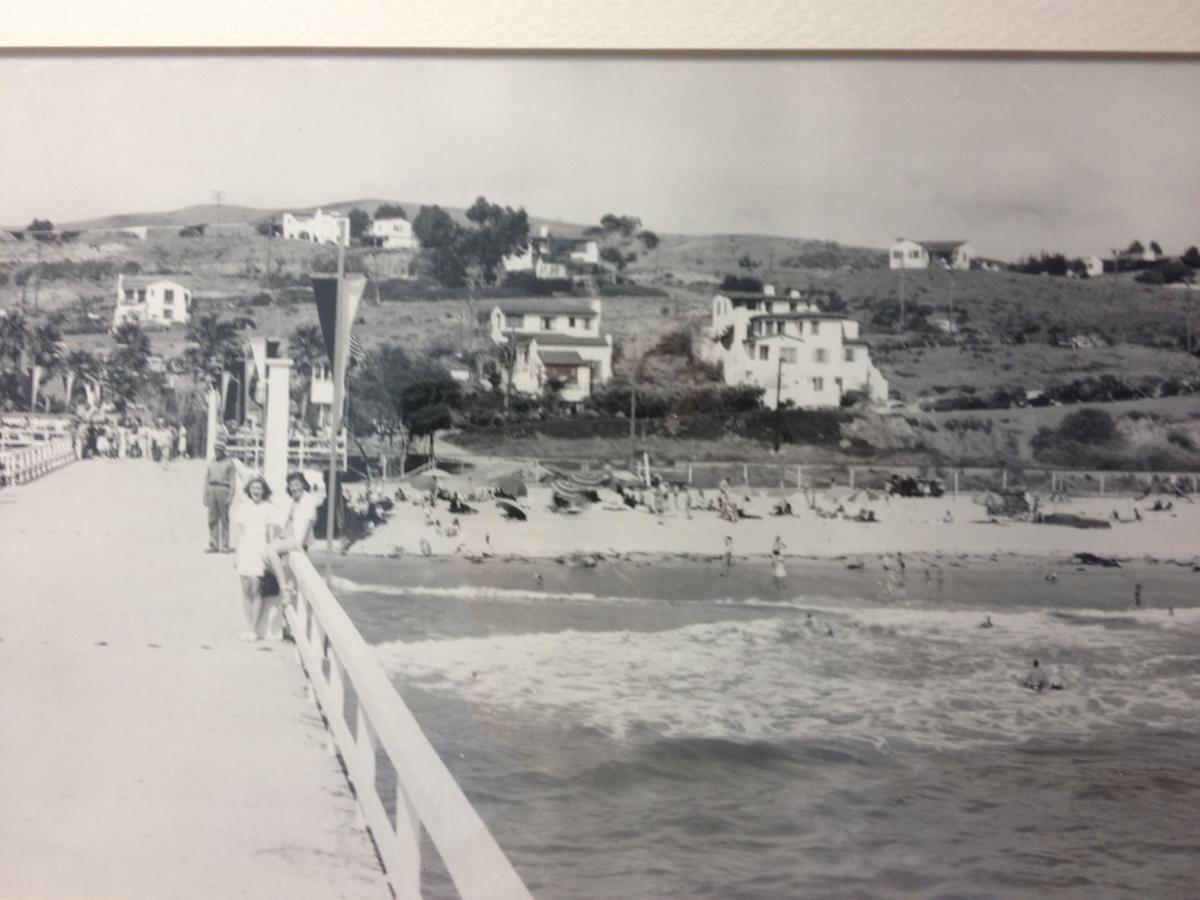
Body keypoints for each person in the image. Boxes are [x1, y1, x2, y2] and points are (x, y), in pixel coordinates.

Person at [232, 475, 282, 642]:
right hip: (245, 548)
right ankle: (247, 627)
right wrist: (236, 554)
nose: (256, 491)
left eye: (259, 488)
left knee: (256, 589)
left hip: (259, 548)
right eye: (253, 488)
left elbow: (271, 534)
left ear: (264, 491)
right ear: (249, 490)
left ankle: (254, 629)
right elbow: (239, 532)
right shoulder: (243, 507)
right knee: (245, 589)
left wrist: (269, 552)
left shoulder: (269, 508)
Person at [203, 444, 237, 553]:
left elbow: (232, 480)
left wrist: (231, 496)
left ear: (223, 451)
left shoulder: (229, 463)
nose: (217, 452)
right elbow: (206, 480)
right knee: (212, 518)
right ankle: (214, 544)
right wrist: (205, 495)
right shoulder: (211, 463)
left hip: (224, 489)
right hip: (212, 489)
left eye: (219, 450)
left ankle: (225, 545)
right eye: (215, 450)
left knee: (224, 519)